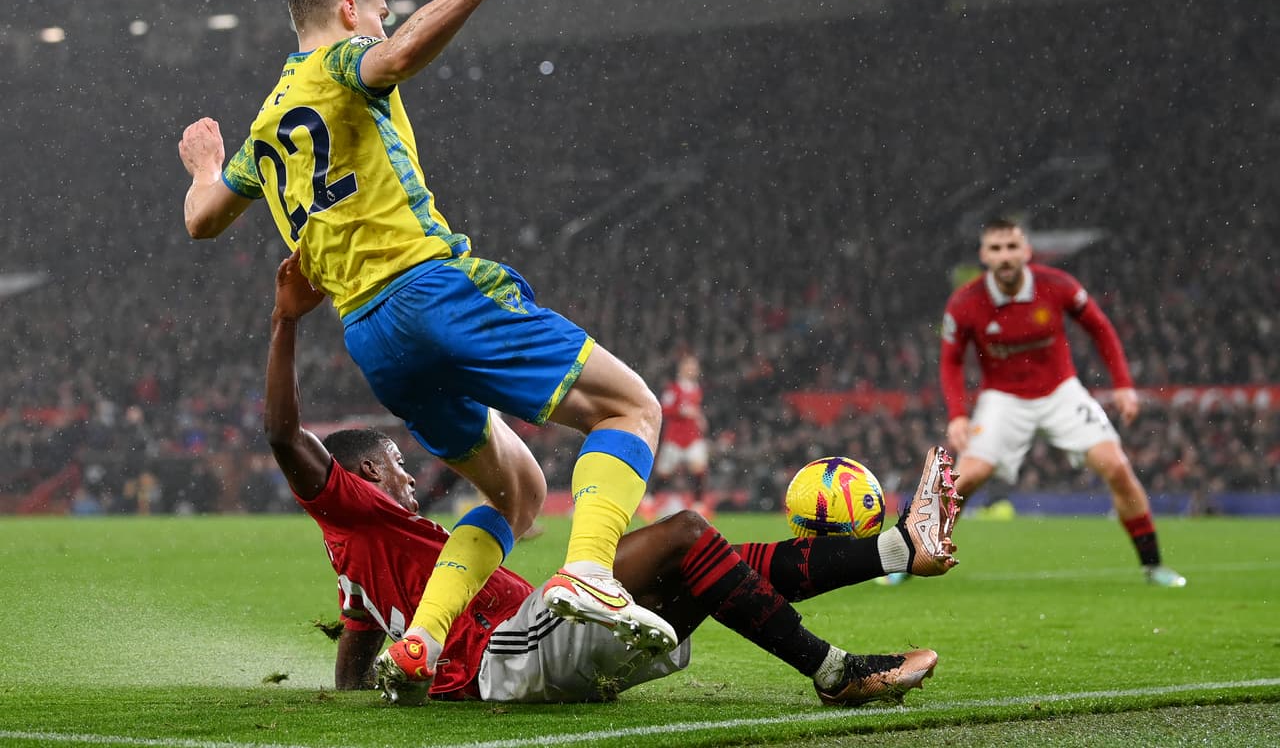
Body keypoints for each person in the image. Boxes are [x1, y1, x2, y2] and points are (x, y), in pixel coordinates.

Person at [177, 0, 676, 689]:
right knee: (633, 408)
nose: (384, 23)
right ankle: (589, 575)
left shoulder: (267, 128)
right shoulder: (339, 63)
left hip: (372, 338)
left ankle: (422, 640)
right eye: (379, 11)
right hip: (430, 289)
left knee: (520, 492)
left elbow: (203, 219)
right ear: (348, 9)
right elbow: (397, 58)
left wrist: (205, 163)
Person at [266, 251, 960, 705]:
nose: (411, 485)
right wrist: (285, 321)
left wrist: (356, 698)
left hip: (528, 641)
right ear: (360, 477)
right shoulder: (355, 514)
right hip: (508, 655)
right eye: (396, 473)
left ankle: (896, 552)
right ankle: (837, 668)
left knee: (703, 558)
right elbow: (284, 435)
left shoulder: (359, 565)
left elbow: (356, 649)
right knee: (685, 531)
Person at [935, 217, 1185, 587]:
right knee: (967, 477)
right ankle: (917, 558)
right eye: (996, 248)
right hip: (1003, 399)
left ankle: (1153, 566)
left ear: (1027, 251)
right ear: (983, 255)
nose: (1005, 256)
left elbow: (1101, 328)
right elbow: (951, 360)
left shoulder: (1057, 285)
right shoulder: (965, 302)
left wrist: (1123, 385)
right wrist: (957, 415)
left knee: (1116, 466)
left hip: (1060, 392)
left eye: (1011, 247)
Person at [650, 354, 712, 517]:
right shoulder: (673, 388)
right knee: (664, 472)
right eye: (689, 366)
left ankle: (699, 504)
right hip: (674, 438)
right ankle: (649, 499)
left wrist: (700, 418)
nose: (692, 369)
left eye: (694, 366)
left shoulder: (697, 389)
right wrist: (683, 411)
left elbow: (694, 411)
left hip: (693, 437)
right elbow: (665, 408)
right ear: (681, 368)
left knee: (699, 468)